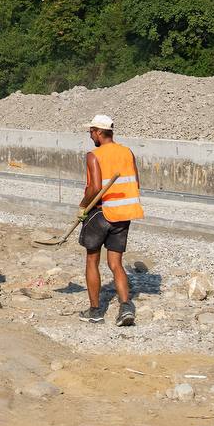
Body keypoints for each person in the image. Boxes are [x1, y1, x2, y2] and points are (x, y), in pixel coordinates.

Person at [77, 113, 144, 326]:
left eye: (91, 132)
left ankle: (95, 310)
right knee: (116, 263)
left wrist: (82, 207)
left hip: (100, 212)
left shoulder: (94, 155)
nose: (90, 136)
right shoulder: (127, 153)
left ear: (98, 132)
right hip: (123, 214)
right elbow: (136, 183)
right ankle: (125, 307)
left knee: (92, 260)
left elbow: (96, 188)